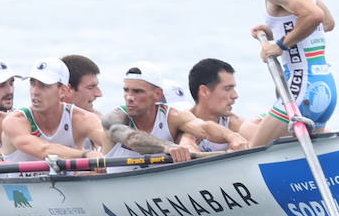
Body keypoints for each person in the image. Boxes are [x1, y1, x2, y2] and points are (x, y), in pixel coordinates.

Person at [235, 0, 338, 147]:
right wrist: (277, 31)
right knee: (296, 154)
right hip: (325, 86)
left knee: (254, 152)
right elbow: (328, 23)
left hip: (301, 89)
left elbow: (315, 16)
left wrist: (278, 46)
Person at [102, 63, 240, 169]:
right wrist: (167, 147)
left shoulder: (173, 116)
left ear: (157, 94)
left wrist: (232, 136)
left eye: (137, 91)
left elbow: (204, 128)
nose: (129, 97)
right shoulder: (115, 118)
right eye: (126, 90)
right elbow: (132, 140)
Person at [1, 57, 109, 163]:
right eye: (32, 83)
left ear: (63, 91)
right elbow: (44, 149)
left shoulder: (83, 119)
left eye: (44, 86)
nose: (35, 92)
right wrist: (85, 154)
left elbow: (108, 141)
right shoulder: (15, 121)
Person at [180, 58, 251, 153]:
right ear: (204, 91)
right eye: (227, 89)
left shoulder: (237, 124)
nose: (235, 95)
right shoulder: (175, 123)